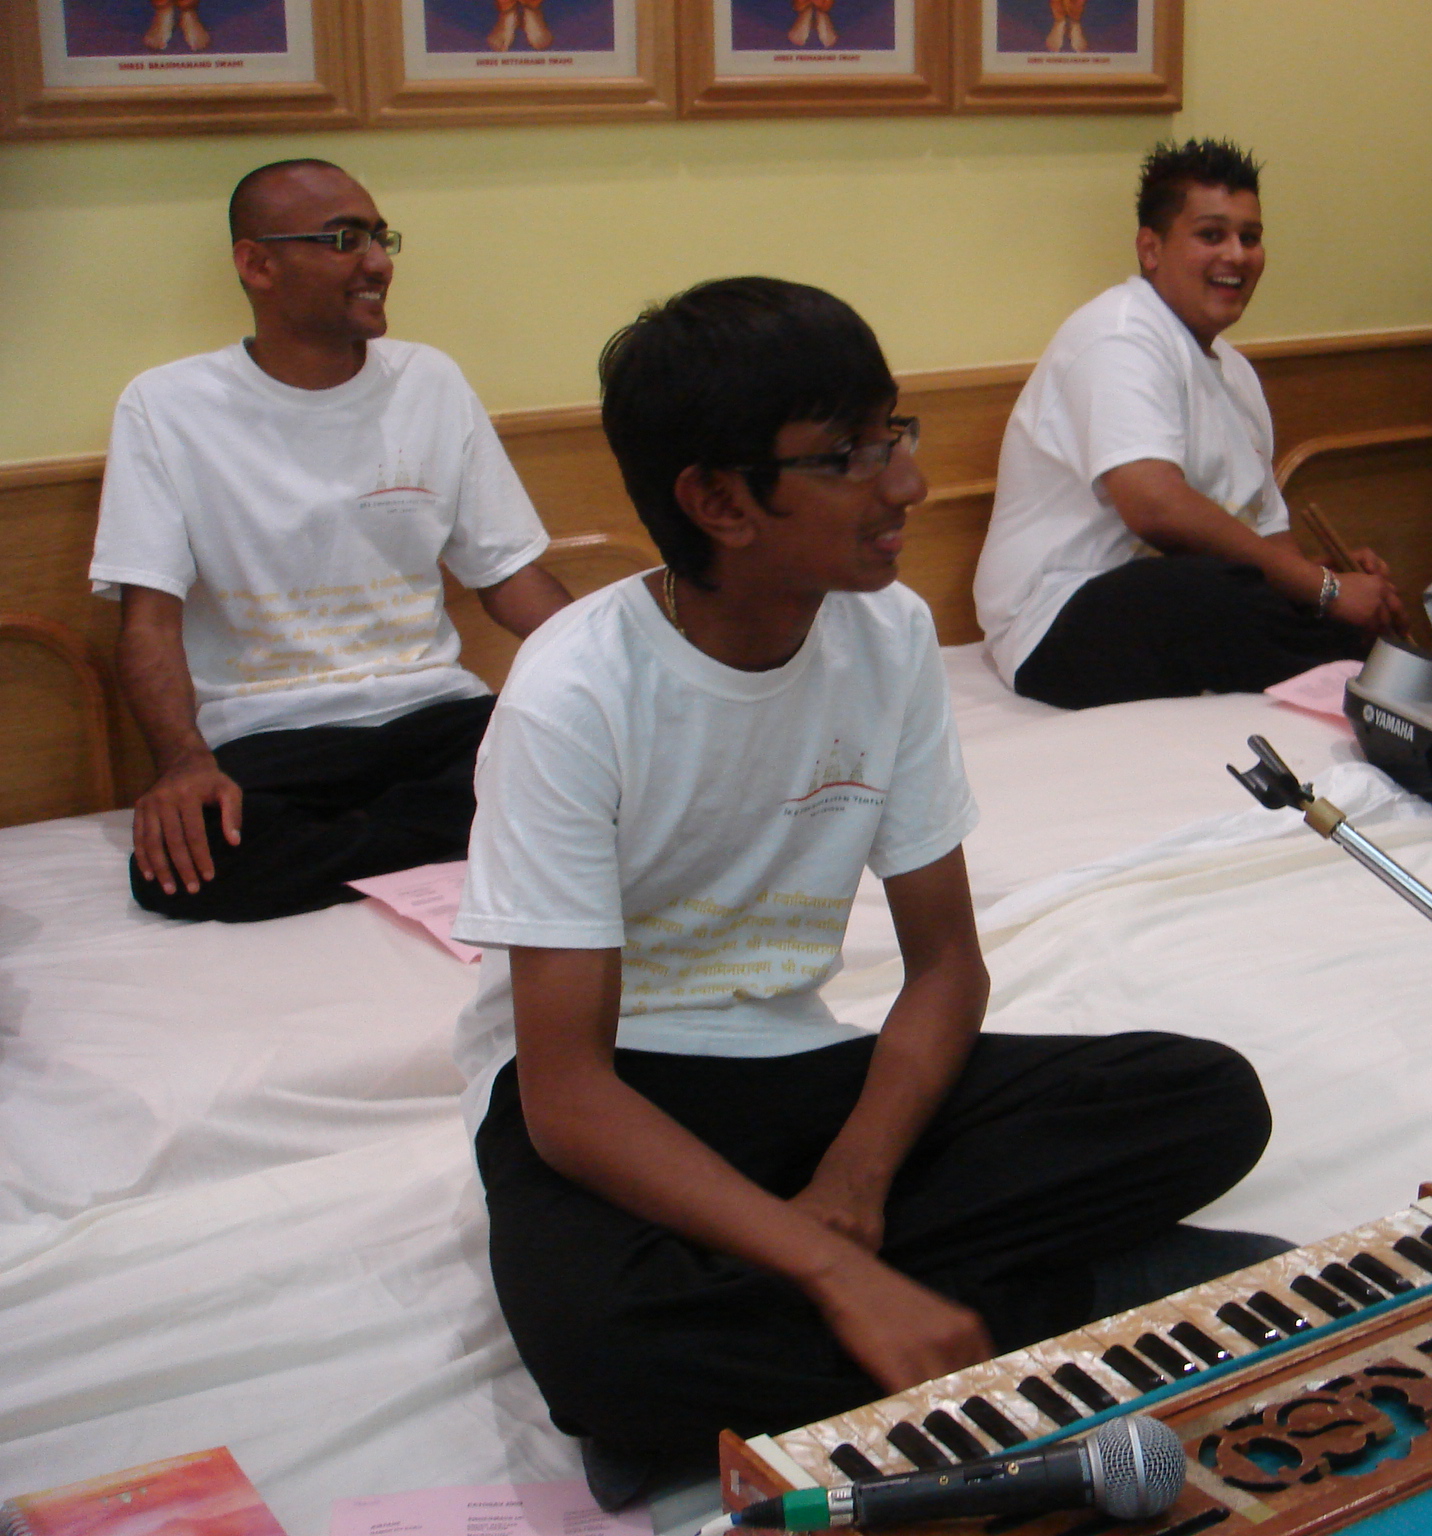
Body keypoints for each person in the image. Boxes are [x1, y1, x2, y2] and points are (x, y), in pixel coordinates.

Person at [451, 278, 1280, 1507]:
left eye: (894, 434)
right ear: (717, 502)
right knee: (607, 1349)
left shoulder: (886, 636)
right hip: (619, 1092)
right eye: (847, 455)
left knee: (1201, 1098)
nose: (907, 484)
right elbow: (566, 1094)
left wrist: (853, 1181)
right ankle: (1064, 1297)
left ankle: (753, 1367)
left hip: (798, 1071)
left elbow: (945, 967)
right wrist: (832, 1266)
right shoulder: (574, 693)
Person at [89, 159, 572, 923]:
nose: (377, 262)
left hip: (436, 718)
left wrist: (625, 676)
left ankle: (363, 844)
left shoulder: (431, 381)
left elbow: (512, 578)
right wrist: (182, 763)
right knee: (187, 868)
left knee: (597, 783)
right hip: (272, 733)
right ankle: (455, 841)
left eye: (381, 238)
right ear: (257, 264)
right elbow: (150, 623)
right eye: (345, 240)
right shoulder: (166, 405)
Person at [972, 138, 1405, 709]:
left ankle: (1375, 678)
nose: (1237, 255)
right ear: (1150, 249)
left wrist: (1330, 581)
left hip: (1174, 604)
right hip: (1052, 623)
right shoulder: (1118, 334)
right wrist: (1325, 591)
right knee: (1205, 590)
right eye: (1211, 235)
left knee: (1285, 602)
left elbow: (1268, 540)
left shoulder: (1236, 372)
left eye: (1250, 237)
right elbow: (1156, 508)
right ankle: (1364, 683)